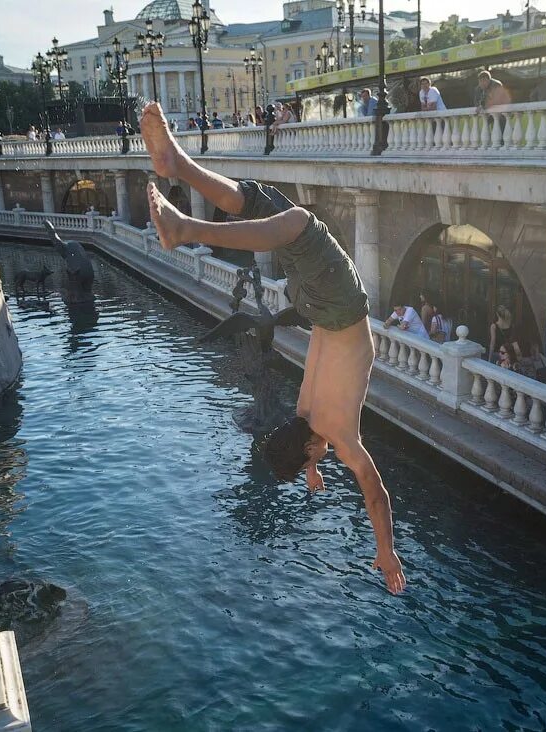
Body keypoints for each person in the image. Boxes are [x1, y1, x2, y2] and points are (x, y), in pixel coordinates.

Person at [140, 101, 404, 594]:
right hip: (316, 301)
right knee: (273, 211)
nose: (320, 461)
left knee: (291, 218)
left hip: (336, 304)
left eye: (313, 461)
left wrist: (385, 550)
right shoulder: (305, 409)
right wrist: (307, 467)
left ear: (309, 448)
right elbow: (315, 447)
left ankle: (183, 205)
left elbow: (378, 496)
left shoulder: (337, 434)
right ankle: (179, 174)